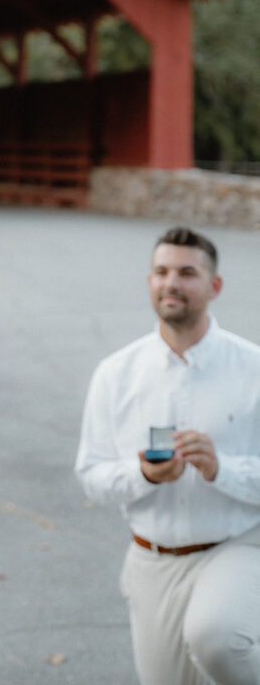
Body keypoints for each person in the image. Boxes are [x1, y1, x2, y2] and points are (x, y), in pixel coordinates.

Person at [75, 226, 260, 685]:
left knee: (217, 638)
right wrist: (144, 474)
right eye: (161, 271)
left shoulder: (253, 369)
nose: (170, 283)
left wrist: (222, 468)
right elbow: (91, 475)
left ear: (214, 286)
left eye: (187, 273)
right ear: (149, 280)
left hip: (235, 547)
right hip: (151, 560)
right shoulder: (115, 374)